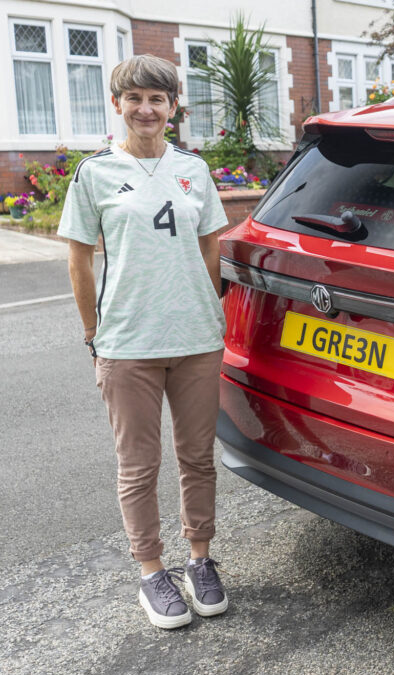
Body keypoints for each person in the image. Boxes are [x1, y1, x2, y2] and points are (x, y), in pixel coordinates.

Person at [59, 54, 229, 630]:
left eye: (158, 99)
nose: (146, 109)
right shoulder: (95, 173)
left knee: (197, 458)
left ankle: (199, 560)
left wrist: (208, 310)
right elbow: (79, 258)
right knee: (138, 466)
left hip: (197, 341)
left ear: (174, 107)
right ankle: (152, 570)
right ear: (118, 105)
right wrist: (92, 331)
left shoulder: (194, 170)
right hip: (127, 343)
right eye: (135, 98)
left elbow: (211, 246)